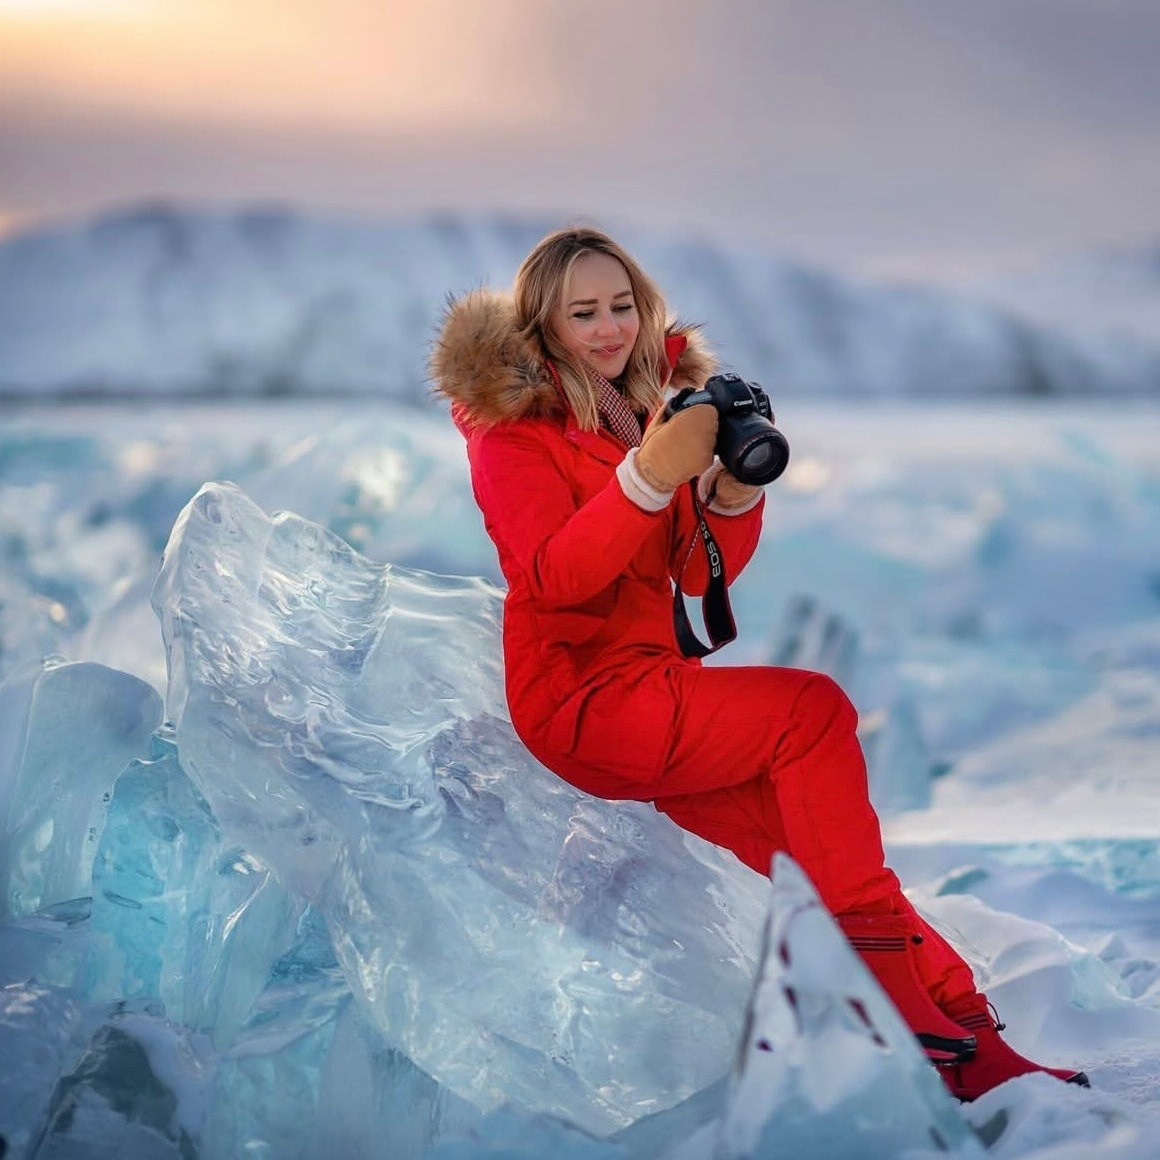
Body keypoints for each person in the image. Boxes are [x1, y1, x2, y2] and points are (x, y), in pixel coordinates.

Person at [430, 225, 1087, 1102]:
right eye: (582, 312)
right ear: (541, 323)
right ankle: (902, 1025)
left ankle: (969, 1037)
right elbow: (551, 577)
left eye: (621, 305)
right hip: (580, 699)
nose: (608, 328)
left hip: (654, 686)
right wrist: (645, 480)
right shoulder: (513, 433)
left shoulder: (650, 406)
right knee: (810, 712)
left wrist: (729, 495)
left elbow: (698, 575)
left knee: (814, 852)